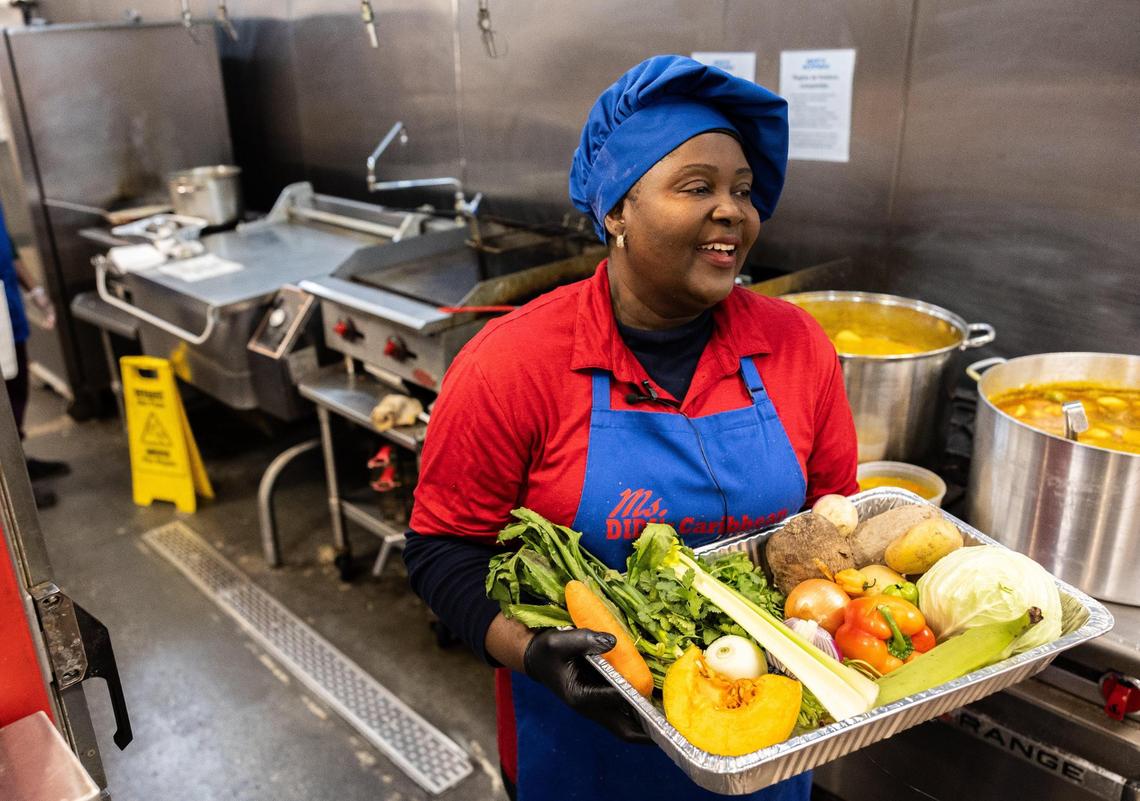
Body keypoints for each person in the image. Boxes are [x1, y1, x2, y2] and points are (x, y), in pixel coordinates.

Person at [403, 55, 858, 801]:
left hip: (765, 751)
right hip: (583, 754)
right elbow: (441, 549)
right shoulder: (513, 364)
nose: (733, 210)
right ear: (616, 209)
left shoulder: (798, 345)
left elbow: (835, 515)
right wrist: (531, 650)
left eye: (742, 191)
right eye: (697, 186)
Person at [1, 201, 68, 508]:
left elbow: (8, 247)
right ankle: (11, 489)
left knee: (16, 392)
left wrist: (35, 291)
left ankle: (18, 462)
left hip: (8, 311)